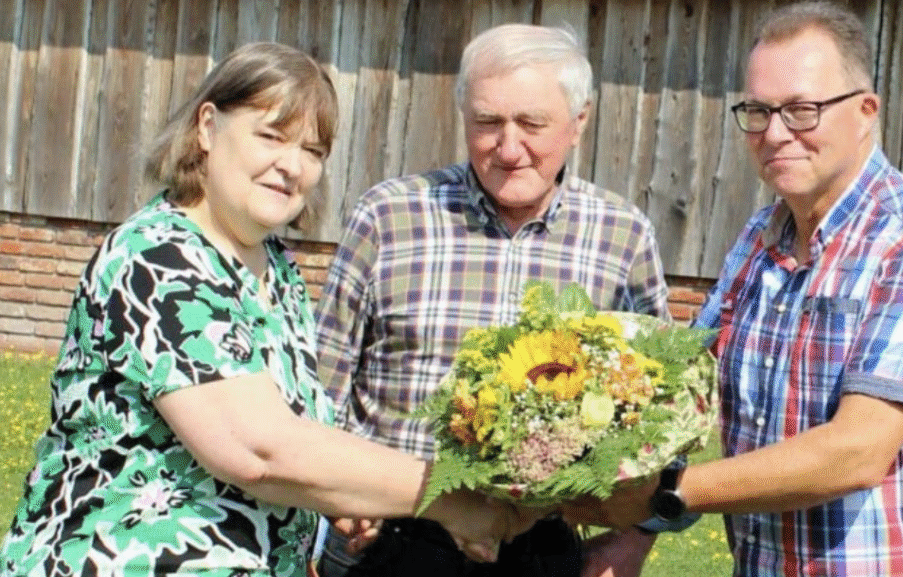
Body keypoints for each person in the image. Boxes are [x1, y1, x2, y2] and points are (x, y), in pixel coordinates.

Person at [0, 42, 529, 577]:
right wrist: (448, 498)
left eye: (313, 151)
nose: (291, 166)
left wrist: (343, 498)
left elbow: (297, 438)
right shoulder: (158, 258)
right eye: (271, 136)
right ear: (207, 128)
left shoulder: (275, 271)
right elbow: (257, 450)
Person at [570, 2, 903, 576]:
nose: (775, 133)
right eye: (758, 111)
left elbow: (857, 451)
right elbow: (685, 389)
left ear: (866, 111)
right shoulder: (757, 238)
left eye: (801, 110)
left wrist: (666, 492)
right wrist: (632, 533)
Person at [312, 23, 671, 577]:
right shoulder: (389, 216)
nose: (508, 148)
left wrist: (633, 541)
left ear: (579, 122)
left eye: (532, 124)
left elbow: (663, 416)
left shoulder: (622, 237)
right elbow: (320, 386)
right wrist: (336, 498)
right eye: (487, 123)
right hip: (387, 539)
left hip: (540, 545)